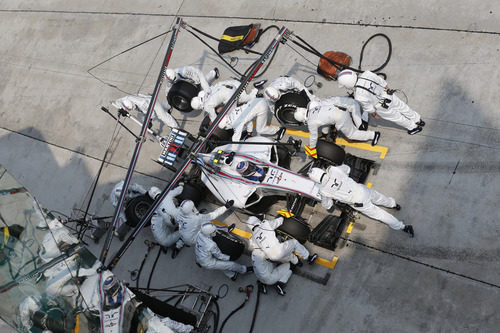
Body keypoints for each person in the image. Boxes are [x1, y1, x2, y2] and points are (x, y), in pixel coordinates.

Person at [308, 166, 414, 237]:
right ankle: (394, 204)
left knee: (379, 214)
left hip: (357, 201)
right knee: (379, 197)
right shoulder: (332, 170)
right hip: (362, 189)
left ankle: (403, 226)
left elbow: (327, 205)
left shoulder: (323, 190)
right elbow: (347, 169)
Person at [337, 69, 425, 135]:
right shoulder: (367, 74)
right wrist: (388, 90)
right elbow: (382, 82)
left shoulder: (359, 96)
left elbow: (368, 108)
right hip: (388, 94)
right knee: (403, 107)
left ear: (348, 84)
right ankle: (417, 119)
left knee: (397, 117)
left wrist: (374, 115)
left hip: (381, 107)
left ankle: (413, 127)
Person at [294, 100, 380, 158]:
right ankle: (365, 113)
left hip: (340, 118)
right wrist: (325, 133)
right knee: (354, 128)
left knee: (351, 134)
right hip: (341, 110)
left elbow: (313, 137)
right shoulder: (314, 109)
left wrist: (312, 151)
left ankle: (374, 135)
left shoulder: (311, 122)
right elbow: (324, 122)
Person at [247, 216, 318, 265]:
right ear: (257, 221)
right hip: (279, 250)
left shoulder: (252, 238)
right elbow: (279, 221)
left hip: (271, 257)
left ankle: (297, 263)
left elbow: (253, 248)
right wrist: (283, 216)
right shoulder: (265, 224)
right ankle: (308, 258)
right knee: (294, 242)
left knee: (287, 253)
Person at [218, 98, 284, 141]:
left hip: (261, 107)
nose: (226, 128)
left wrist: (232, 151)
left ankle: (279, 130)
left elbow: (235, 138)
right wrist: (249, 133)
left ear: (227, 123)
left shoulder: (236, 123)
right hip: (257, 100)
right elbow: (248, 121)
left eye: (225, 127)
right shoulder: (233, 112)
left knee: (260, 130)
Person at [191, 79, 258, 122]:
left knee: (232, 114)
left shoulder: (206, 106)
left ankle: (255, 92)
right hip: (231, 83)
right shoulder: (203, 92)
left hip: (229, 93)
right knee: (239, 98)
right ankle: (254, 90)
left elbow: (214, 120)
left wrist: (212, 122)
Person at [149, 185, 183, 258]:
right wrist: (181, 184)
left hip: (160, 239)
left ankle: (166, 244)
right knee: (185, 230)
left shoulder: (155, 210)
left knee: (168, 223)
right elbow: (179, 190)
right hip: (167, 239)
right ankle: (178, 247)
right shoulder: (167, 194)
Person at [112, 93, 179, 129]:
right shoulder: (127, 99)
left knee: (162, 115)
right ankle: (169, 106)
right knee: (161, 106)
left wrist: (149, 121)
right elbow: (117, 101)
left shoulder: (142, 104)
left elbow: (152, 113)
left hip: (152, 103)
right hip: (148, 99)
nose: (132, 110)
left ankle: (176, 127)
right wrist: (121, 109)